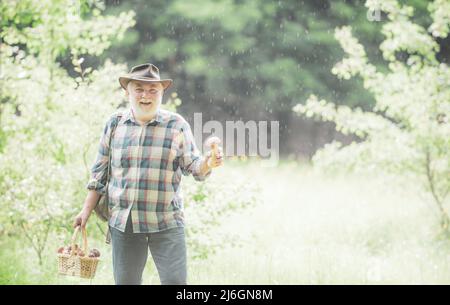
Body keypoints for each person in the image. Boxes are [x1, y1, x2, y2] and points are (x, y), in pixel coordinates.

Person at [73, 63, 223, 285]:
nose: (146, 95)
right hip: (125, 224)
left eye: (153, 90)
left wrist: (209, 162)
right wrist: (85, 211)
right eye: (139, 89)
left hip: (167, 222)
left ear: (162, 93)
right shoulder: (115, 124)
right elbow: (98, 175)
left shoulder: (176, 125)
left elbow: (194, 167)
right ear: (128, 92)